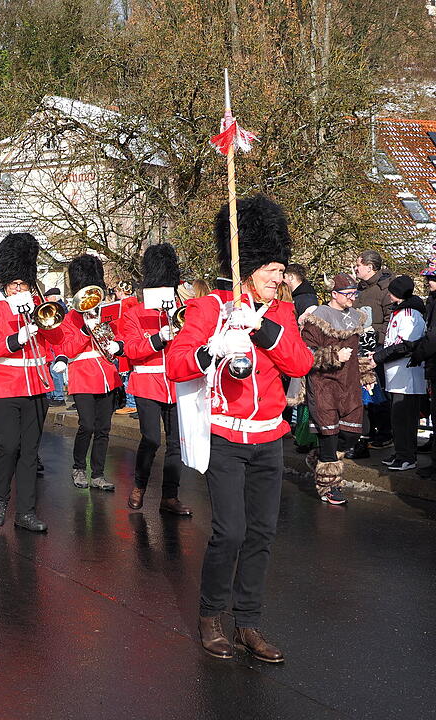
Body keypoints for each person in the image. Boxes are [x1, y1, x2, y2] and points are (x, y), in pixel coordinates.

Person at [167, 194, 312, 663]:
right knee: (229, 532)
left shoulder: (281, 313)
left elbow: (301, 361)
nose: (280, 277)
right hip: (226, 437)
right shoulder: (211, 308)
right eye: (272, 268)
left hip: (269, 439)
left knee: (262, 533)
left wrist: (263, 330)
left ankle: (248, 622)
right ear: (247, 267)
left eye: (282, 268)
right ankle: (211, 615)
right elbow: (176, 364)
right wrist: (212, 348)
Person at [0, 233, 67, 532]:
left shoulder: (36, 305)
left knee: (30, 451)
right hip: (4, 387)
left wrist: (59, 353)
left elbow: (58, 336)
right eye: (15, 283)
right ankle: (0, 499)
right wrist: (16, 339)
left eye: (23, 283)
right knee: (8, 448)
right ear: (5, 282)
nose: (19, 288)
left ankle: (25, 512)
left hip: (37, 386)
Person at [123, 244, 191, 515]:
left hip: (177, 384)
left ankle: (169, 496)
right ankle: (139, 486)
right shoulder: (134, 314)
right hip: (147, 384)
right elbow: (132, 350)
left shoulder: (183, 309)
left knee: (176, 443)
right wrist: (157, 338)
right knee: (151, 439)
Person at [51, 254, 122, 492]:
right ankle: (79, 467)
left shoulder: (105, 312)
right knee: (87, 425)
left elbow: (116, 339)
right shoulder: (70, 317)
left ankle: (99, 473)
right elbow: (68, 349)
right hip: (82, 375)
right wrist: (84, 328)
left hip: (107, 375)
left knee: (104, 428)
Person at [299, 274, 366, 504]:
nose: (352, 298)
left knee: (351, 433)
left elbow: (358, 353)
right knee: (329, 435)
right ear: (334, 294)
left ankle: (321, 460)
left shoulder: (356, 317)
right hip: (323, 383)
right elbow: (306, 353)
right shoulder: (318, 317)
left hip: (349, 384)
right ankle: (329, 487)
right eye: (348, 294)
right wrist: (334, 355)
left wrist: (367, 374)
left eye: (354, 293)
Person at [373, 275, 426, 472]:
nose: (388, 294)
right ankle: (401, 451)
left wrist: (380, 357)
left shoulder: (411, 313)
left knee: (405, 418)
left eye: (392, 291)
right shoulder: (399, 312)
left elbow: (405, 345)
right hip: (396, 375)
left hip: (407, 376)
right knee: (397, 418)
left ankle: (407, 456)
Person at [354, 250, 393, 448]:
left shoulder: (384, 289)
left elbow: (389, 318)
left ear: (369, 267)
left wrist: (379, 344)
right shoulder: (360, 289)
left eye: (358, 265)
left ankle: (385, 432)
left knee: (377, 391)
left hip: (375, 348)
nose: (355, 268)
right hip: (360, 347)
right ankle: (368, 433)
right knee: (365, 393)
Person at [410, 259, 436, 478]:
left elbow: (433, 336)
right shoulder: (432, 300)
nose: (428, 281)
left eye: (432, 278)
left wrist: (418, 354)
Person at [112, 280, 139, 415]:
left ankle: (131, 403)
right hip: (132, 341)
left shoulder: (122, 306)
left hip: (124, 341)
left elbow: (118, 325)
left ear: (121, 291)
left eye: (116, 291)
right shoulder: (136, 304)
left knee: (127, 375)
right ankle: (130, 402)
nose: (115, 293)